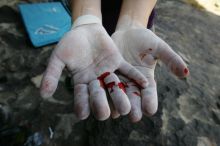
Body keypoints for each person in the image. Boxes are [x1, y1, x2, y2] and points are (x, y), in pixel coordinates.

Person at [40, 0, 189, 122]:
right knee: (81, 69)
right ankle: (77, 78)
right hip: (88, 27)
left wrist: (133, 23)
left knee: (120, 92)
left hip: (138, 22)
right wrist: (85, 19)